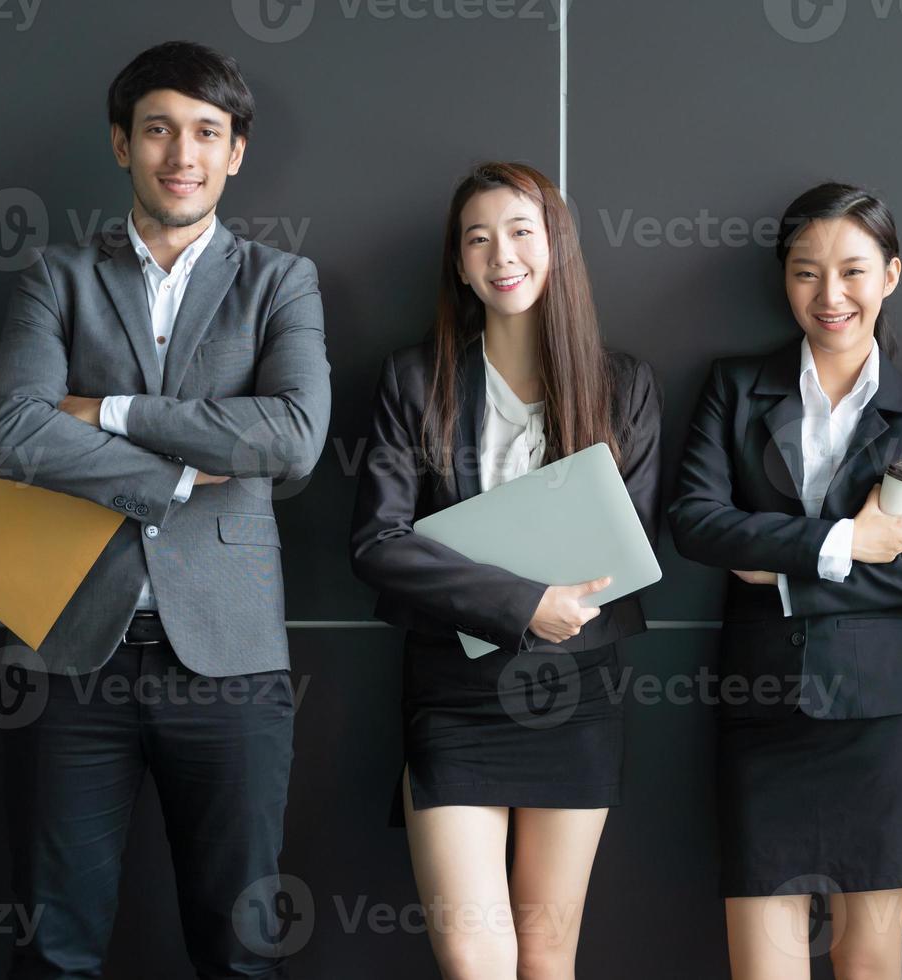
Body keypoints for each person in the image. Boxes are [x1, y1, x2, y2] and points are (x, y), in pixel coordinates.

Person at [0, 40, 330, 978]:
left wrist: (113, 412)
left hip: (232, 665)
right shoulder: (58, 278)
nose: (182, 153)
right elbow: (10, 435)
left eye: (206, 132)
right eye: (159, 129)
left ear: (236, 151)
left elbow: (292, 438)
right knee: (55, 946)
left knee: (241, 947)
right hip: (71, 656)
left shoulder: (278, 282)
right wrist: (177, 474)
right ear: (121, 144)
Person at [348, 162, 661, 979]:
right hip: (451, 695)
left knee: (549, 955)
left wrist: (556, 605)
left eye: (521, 231)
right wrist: (523, 602)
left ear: (555, 245)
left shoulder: (622, 383)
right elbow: (378, 543)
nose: (502, 254)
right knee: (471, 955)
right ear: (459, 264)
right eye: (478, 238)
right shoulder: (414, 378)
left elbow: (624, 549)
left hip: (578, 691)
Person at [668, 182, 902, 980]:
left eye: (853, 272)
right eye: (805, 273)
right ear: (783, 279)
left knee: (869, 965)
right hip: (761, 714)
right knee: (762, 968)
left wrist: (778, 562)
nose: (829, 296)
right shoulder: (732, 387)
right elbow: (694, 521)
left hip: (884, 718)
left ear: (890, 275)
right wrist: (848, 541)